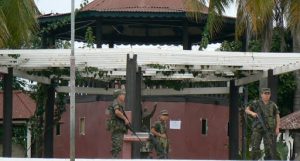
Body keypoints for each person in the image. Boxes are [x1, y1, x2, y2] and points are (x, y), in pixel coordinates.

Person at [245, 88, 280, 160]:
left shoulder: (273, 105)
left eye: (268, 93)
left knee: (269, 148)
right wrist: (252, 113)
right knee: (255, 147)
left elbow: (277, 116)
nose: (267, 95)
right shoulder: (256, 103)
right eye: (265, 93)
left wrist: (277, 128)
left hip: (268, 129)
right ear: (261, 94)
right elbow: (246, 110)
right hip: (257, 129)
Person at [106, 89, 130, 158]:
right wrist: (125, 119)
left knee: (118, 147)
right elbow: (117, 112)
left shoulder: (119, 104)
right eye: (123, 94)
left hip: (119, 128)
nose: (124, 96)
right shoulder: (115, 102)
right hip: (117, 128)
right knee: (116, 148)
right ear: (118, 96)